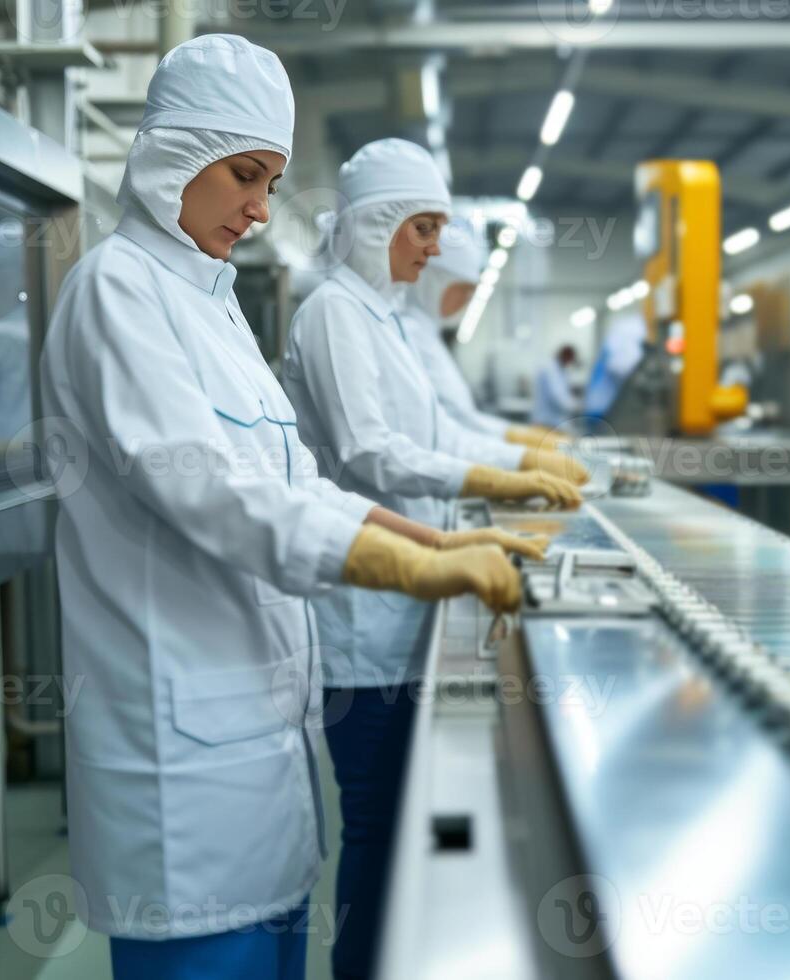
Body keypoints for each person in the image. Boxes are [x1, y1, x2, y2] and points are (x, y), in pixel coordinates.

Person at [37, 37, 533, 980]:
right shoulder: (117, 291)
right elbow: (215, 493)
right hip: (178, 775)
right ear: (175, 158)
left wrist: (431, 537)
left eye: (270, 180)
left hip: (260, 757)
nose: (261, 209)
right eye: (244, 175)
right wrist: (414, 568)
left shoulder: (215, 306)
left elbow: (300, 481)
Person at [280, 138, 586, 980]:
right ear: (378, 225)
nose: (428, 247)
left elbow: (437, 433)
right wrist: (493, 475)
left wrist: (515, 468)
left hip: (402, 605)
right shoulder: (333, 314)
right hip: (360, 622)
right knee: (376, 825)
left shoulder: (377, 317)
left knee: (390, 822)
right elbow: (371, 452)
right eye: (421, 228)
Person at [402, 217, 569, 451]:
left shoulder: (428, 336)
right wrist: (519, 451)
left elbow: (463, 420)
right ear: (433, 282)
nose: (466, 301)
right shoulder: (413, 336)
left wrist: (519, 438)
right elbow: (457, 426)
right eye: (463, 290)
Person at [531, 343, 580, 428]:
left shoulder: (560, 369)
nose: (569, 364)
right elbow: (558, 397)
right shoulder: (551, 369)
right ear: (566, 357)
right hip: (546, 421)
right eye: (570, 360)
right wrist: (577, 406)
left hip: (552, 420)